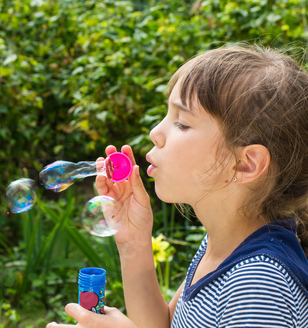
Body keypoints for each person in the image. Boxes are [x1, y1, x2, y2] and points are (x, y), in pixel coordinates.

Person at [47, 44, 308, 327]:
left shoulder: (259, 286)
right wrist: (133, 240)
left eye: (181, 123)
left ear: (246, 164)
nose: (155, 132)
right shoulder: (223, 246)